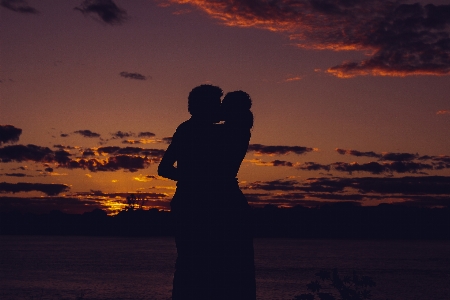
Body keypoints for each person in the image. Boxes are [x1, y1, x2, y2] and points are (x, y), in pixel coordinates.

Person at [158, 85, 256, 300]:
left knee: (199, 267)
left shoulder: (206, 130)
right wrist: (195, 179)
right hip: (205, 204)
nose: (219, 109)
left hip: (210, 203)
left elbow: (164, 168)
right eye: (216, 104)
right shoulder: (215, 131)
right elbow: (164, 169)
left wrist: (191, 178)